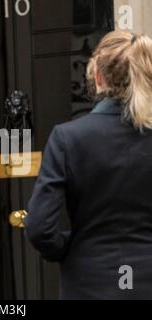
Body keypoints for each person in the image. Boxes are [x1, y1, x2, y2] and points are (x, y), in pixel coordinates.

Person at [25, 31, 152, 299]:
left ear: (97, 76)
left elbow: (39, 228)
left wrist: (72, 248)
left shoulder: (68, 137)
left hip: (89, 280)